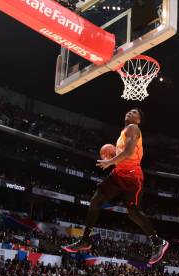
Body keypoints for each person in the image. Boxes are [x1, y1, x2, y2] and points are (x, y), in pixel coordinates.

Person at [62, 108, 169, 265]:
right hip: (119, 173)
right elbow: (122, 154)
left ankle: (158, 242)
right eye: (129, 111)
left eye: (135, 112)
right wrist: (112, 156)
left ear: (138, 120)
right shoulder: (124, 131)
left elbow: (128, 152)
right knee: (96, 200)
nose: (130, 113)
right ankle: (85, 240)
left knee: (133, 213)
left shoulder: (134, 128)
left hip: (132, 176)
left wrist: (109, 161)